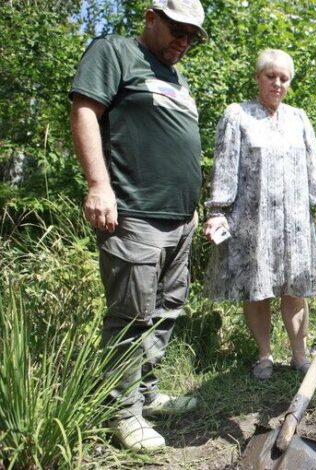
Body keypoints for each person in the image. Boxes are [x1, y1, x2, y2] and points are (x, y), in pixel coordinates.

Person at [69, 0, 207, 451]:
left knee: (167, 310)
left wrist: (194, 203)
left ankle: (145, 395)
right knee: (131, 316)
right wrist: (98, 186)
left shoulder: (176, 77)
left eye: (192, 37)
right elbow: (86, 111)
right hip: (133, 212)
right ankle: (121, 413)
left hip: (180, 217)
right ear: (151, 18)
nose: (183, 42)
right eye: (177, 30)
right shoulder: (114, 52)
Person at [203, 49, 316, 380]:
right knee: (257, 289)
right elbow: (225, 165)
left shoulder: (298, 118)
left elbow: (312, 164)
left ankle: (300, 354)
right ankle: (264, 356)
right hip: (253, 222)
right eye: (270, 76)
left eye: (284, 78)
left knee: (296, 288)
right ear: (258, 77)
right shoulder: (238, 116)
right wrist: (218, 210)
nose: (277, 83)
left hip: (295, 224)